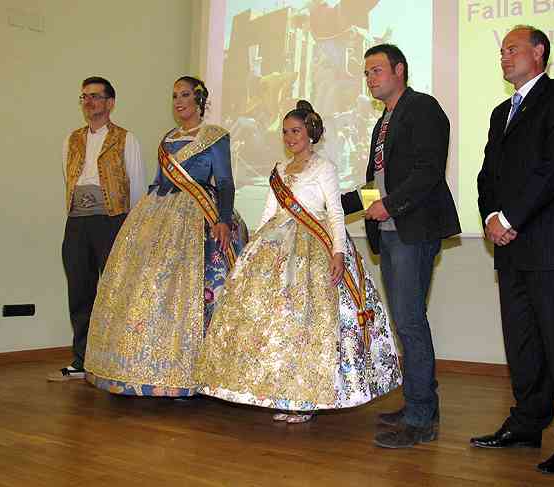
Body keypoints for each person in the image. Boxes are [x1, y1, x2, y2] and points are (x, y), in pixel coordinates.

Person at [196, 100, 401, 423]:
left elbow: (335, 212)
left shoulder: (324, 167)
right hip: (276, 245)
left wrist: (338, 252)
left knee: (305, 322)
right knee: (276, 324)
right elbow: (269, 213)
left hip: (312, 247)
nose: (290, 137)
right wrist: (253, 249)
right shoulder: (279, 170)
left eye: (296, 131)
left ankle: (306, 398)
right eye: (285, 132)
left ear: (310, 133)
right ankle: (283, 392)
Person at [472, 26, 554, 474]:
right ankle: (527, 423)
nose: (504, 57)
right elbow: (487, 175)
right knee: (522, 343)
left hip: (550, 244)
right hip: (510, 248)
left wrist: (510, 219)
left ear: (539, 51)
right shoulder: (500, 113)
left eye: (513, 49)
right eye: (501, 51)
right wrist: (491, 217)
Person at [83, 76, 248, 397]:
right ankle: (146, 368)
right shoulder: (168, 139)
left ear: (199, 100)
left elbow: (225, 182)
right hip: (160, 213)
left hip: (199, 216)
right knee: (148, 285)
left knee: (192, 288)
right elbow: (159, 180)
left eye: (184, 95)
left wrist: (224, 220)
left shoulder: (214, 136)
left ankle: (196, 372)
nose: (178, 101)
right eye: (174, 96)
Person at [355, 44, 461, 448]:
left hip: (412, 230)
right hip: (390, 231)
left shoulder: (423, 108)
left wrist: (390, 205)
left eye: (377, 70)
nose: (370, 78)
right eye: (367, 72)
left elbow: (428, 171)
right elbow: (374, 184)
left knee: (410, 322)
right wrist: (330, 203)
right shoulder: (382, 123)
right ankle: (420, 404)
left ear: (399, 70)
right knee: (406, 321)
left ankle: (420, 419)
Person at [47, 77, 146, 382]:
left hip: (112, 221)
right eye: (84, 97)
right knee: (79, 290)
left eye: (95, 96)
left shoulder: (126, 139)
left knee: (116, 291)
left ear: (110, 103)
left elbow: (137, 186)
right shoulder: (72, 140)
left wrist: (132, 229)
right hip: (78, 223)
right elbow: (68, 178)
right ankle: (82, 359)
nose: (89, 102)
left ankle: (117, 361)